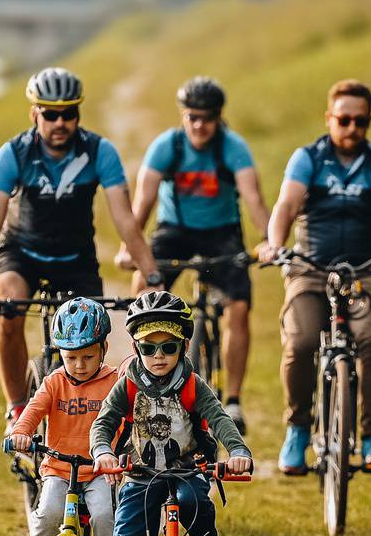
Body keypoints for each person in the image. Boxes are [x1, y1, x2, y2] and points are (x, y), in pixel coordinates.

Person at [0, 67, 162, 417]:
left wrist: (152, 275)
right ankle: (18, 408)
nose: (60, 122)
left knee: (89, 340)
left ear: (78, 115)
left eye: (68, 114)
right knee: (8, 307)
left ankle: (86, 419)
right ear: (34, 114)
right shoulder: (14, 154)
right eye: (50, 114)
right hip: (21, 252)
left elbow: (125, 220)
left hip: (75, 258)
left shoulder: (99, 152)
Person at [263, 79, 371, 477]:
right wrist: (273, 244)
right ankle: (297, 430)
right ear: (329, 118)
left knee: (370, 340)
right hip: (310, 268)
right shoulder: (308, 158)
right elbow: (286, 204)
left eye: (361, 122)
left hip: (364, 270)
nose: (352, 129)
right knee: (300, 341)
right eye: (344, 120)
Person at [89, 291, 254, 536]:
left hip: (187, 468)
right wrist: (102, 451)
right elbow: (104, 423)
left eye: (168, 347)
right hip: (141, 472)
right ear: (135, 348)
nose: (158, 357)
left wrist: (238, 452)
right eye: (149, 349)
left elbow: (220, 420)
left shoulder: (193, 384)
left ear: (182, 345)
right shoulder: (128, 384)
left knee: (195, 503)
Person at [115, 76, 270, 429]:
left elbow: (253, 198)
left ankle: (232, 401)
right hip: (175, 231)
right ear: (183, 116)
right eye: (192, 117)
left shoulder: (232, 148)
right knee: (145, 290)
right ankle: (145, 379)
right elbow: (144, 201)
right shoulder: (167, 146)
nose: (199, 125)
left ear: (218, 118)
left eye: (207, 118)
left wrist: (269, 239)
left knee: (239, 308)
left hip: (222, 233)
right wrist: (130, 247)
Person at [5, 297, 123, 536]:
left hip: (97, 470)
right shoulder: (54, 382)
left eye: (88, 357)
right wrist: (20, 433)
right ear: (61, 354)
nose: (80, 366)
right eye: (71, 358)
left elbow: (125, 418)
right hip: (58, 468)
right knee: (47, 512)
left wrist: (120, 449)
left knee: (103, 515)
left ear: (103, 350)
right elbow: (32, 412)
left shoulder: (113, 382)